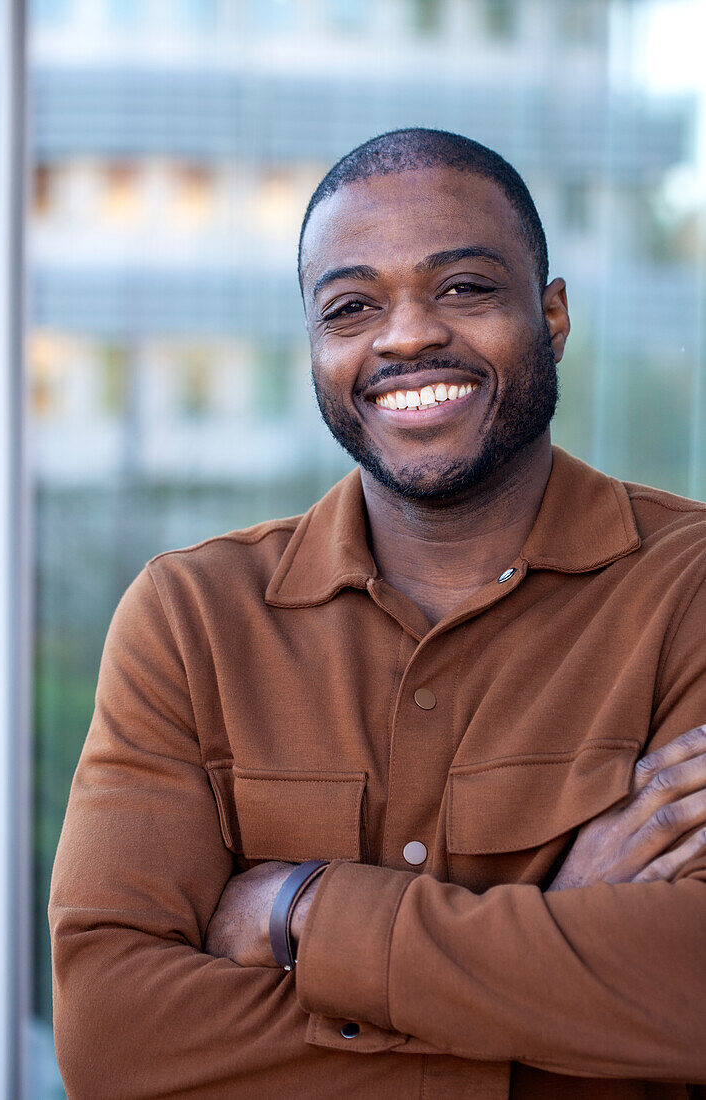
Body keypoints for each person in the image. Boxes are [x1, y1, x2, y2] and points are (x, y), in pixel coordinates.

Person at [49, 129, 706, 1099]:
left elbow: (688, 989)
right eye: (351, 306)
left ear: (553, 316)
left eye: (463, 288)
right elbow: (114, 1027)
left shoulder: (687, 585)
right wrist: (553, 955)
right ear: (315, 348)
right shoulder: (189, 618)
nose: (404, 337)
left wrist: (300, 908)